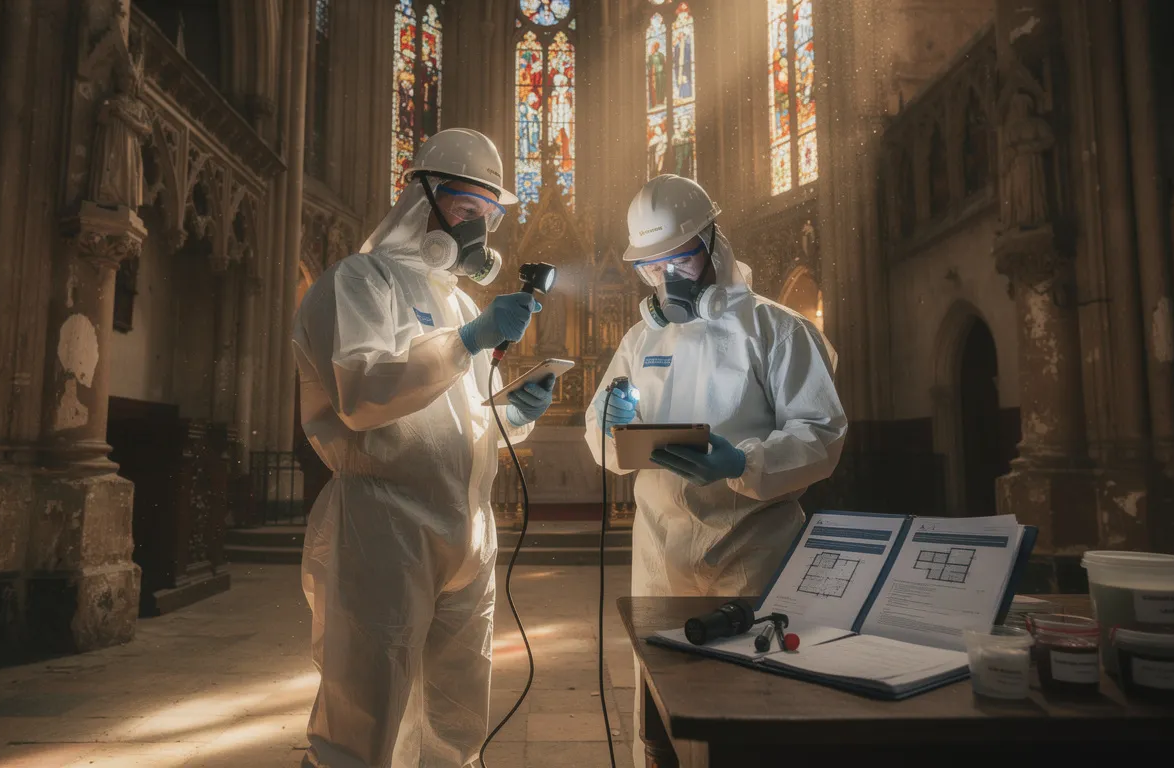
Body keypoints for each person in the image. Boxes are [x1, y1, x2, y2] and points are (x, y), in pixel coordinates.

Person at [293, 127, 558, 768]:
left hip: (467, 527)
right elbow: (361, 393)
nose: (479, 234)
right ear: (423, 201)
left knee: (456, 716)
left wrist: (511, 415)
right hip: (385, 525)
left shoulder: (460, 300)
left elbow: (460, 420)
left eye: (489, 218)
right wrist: (468, 342)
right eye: (468, 212)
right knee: (367, 711)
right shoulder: (359, 281)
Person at [584, 174, 848, 766]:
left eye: (678, 260)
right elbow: (600, 441)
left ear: (713, 244)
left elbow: (822, 434)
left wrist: (743, 463)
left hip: (754, 552)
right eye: (651, 268)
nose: (667, 280)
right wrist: (609, 422)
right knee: (661, 718)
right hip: (659, 555)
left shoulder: (776, 328)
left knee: (755, 708)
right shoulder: (636, 341)